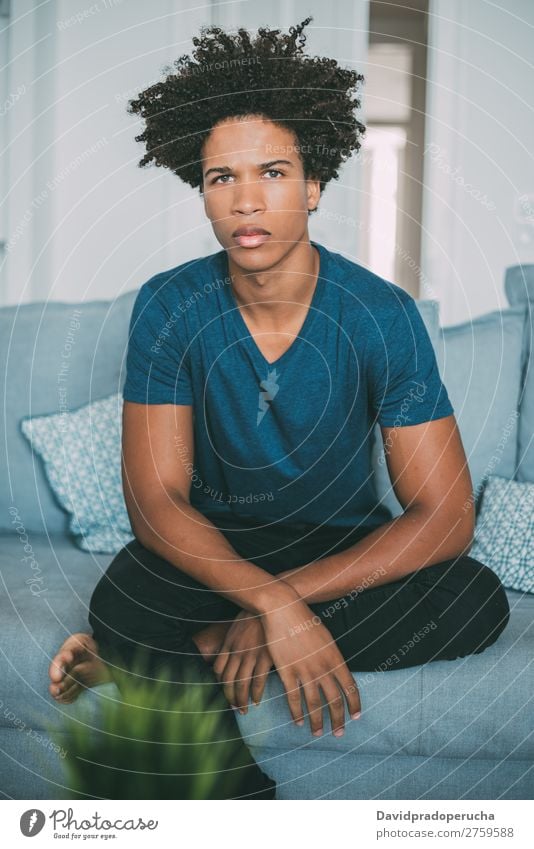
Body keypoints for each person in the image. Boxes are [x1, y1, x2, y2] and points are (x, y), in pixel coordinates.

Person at [48, 16, 510, 800]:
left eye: (272, 171)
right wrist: (266, 600)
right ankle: (242, 804)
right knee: (125, 595)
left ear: (315, 184)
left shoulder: (380, 314)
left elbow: (444, 515)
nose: (246, 199)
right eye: (222, 178)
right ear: (202, 193)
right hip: (217, 548)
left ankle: (153, 658)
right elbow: (155, 504)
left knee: (476, 599)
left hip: (342, 552)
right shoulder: (169, 306)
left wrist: (290, 601)